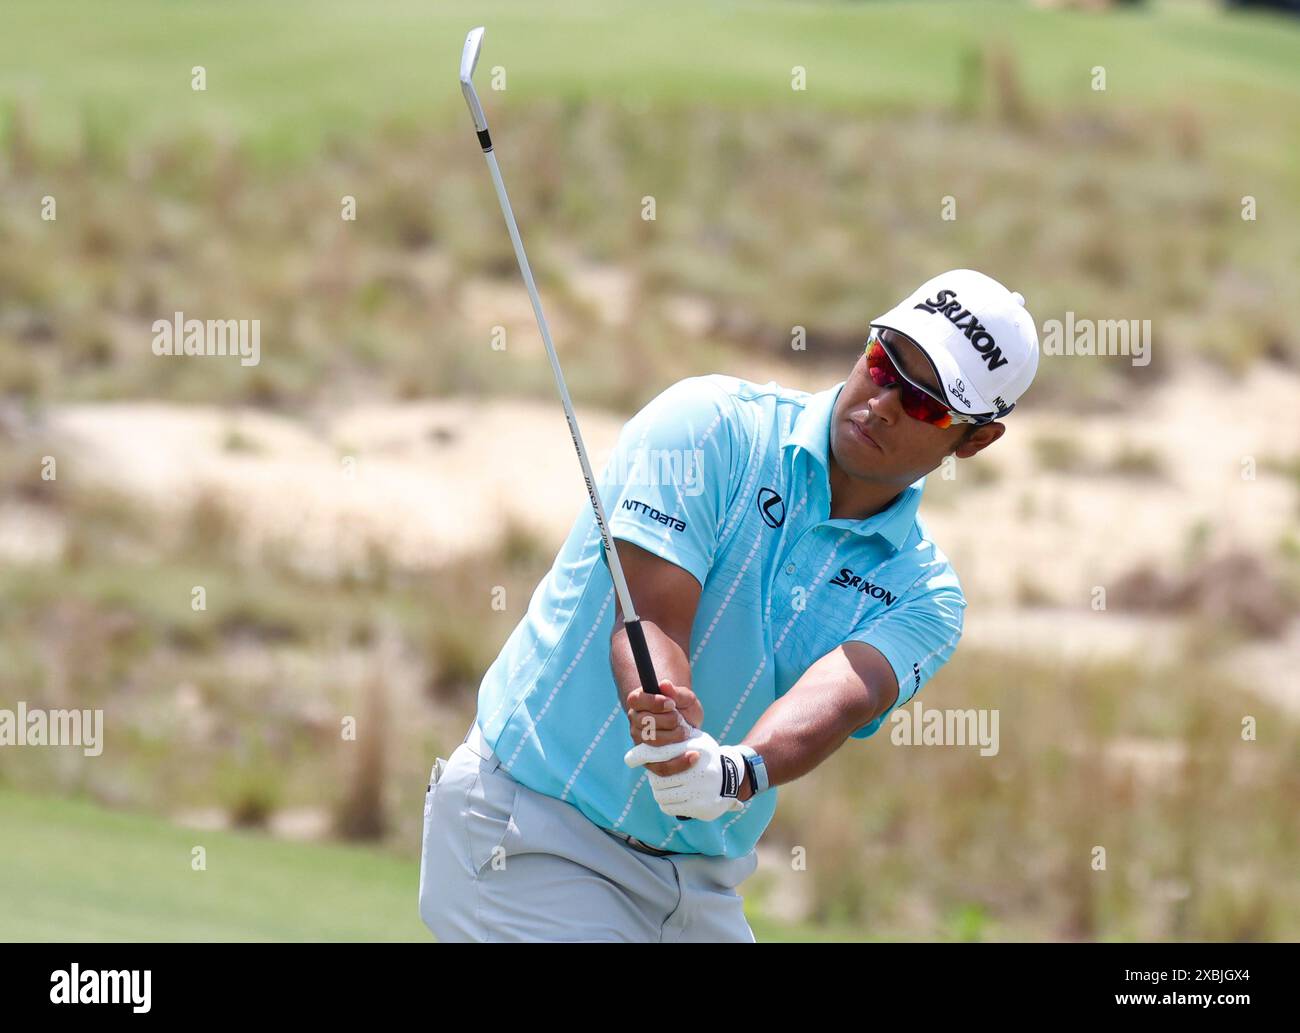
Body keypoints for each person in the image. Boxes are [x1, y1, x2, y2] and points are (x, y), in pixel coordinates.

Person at [418, 268, 1040, 942]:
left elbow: (841, 698)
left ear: (974, 440)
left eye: (926, 403)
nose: (884, 402)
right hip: (531, 831)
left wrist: (736, 770)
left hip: (699, 885)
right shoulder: (709, 427)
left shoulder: (926, 592)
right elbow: (649, 621)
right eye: (884, 362)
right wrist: (667, 714)